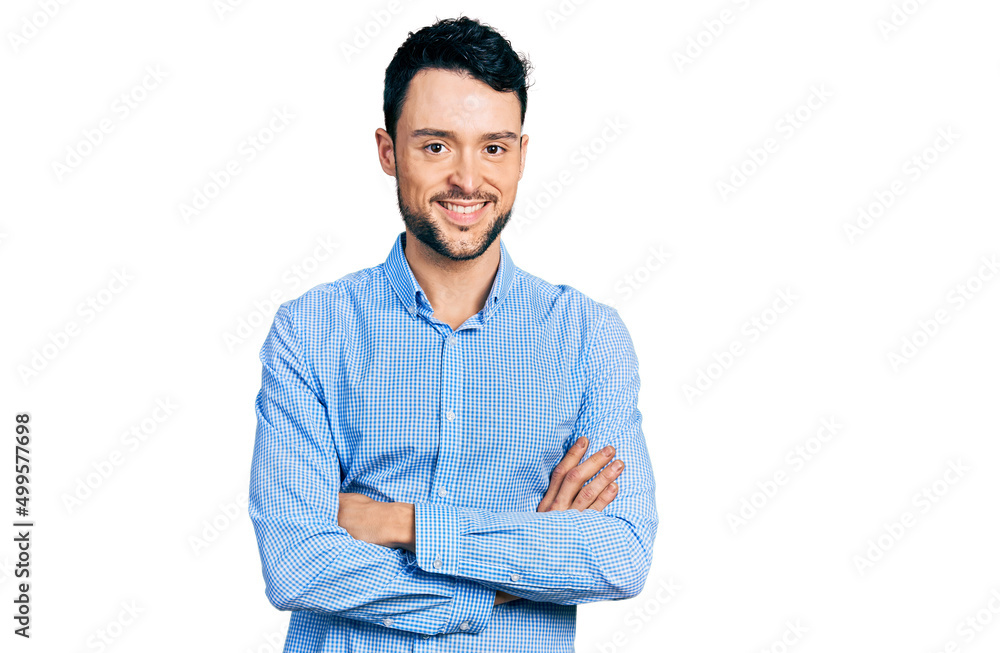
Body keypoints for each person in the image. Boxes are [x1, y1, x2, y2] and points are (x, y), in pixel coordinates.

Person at [248, 15, 658, 652]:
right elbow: (297, 562)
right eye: (436, 146)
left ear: (521, 154)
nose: (468, 180)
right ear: (388, 152)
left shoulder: (588, 338)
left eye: (492, 147)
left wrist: (401, 524)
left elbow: (619, 554)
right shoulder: (311, 332)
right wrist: (514, 571)